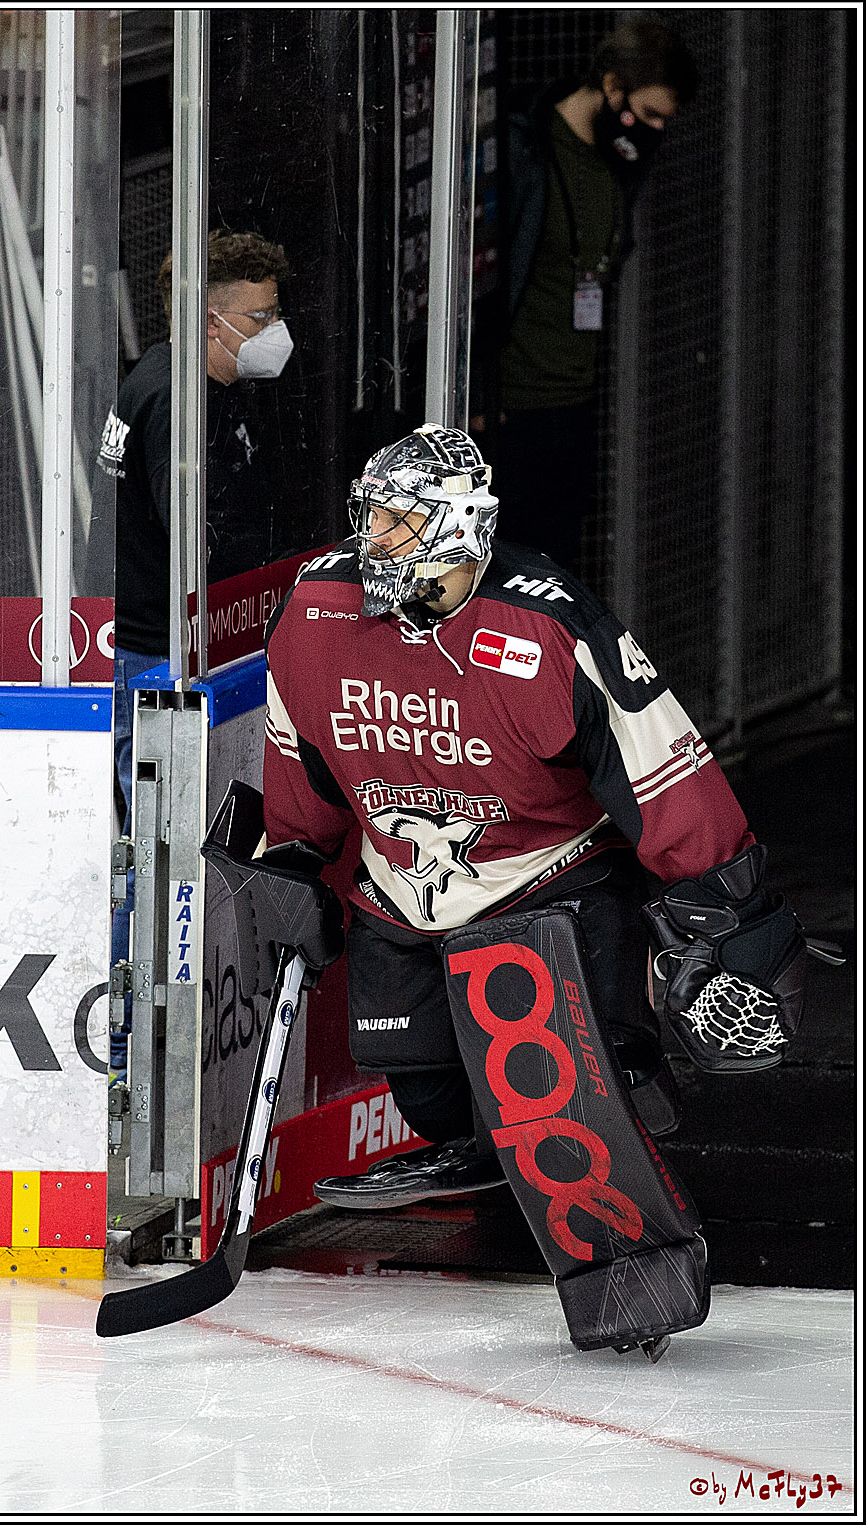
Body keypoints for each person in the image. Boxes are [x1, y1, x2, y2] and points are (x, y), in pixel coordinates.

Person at [260, 423, 808, 1355]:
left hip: (547, 883)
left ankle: (627, 1240)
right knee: (431, 1099)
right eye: (370, 515)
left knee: (561, 1093)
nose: (373, 538)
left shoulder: (548, 623)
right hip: (404, 889)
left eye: (398, 521)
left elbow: (656, 762)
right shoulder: (315, 611)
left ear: (458, 525)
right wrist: (293, 858)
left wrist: (733, 906)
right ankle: (509, 1148)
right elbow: (298, 746)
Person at [94, 228, 292, 1076]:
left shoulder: (194, 384)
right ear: (214, 322)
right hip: (153, 659)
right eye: (262, 316)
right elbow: (193, 543)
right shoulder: (174, 401)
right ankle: (125, 1048)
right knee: (154, 852)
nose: (276, 331)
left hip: (173, 649)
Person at [488, 19, 699, 571]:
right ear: (611, 86)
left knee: (553, 579)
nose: (655, 130)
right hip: (512, 410)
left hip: (575, 406)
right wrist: (484, 391)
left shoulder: (619, 157)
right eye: (649, 113)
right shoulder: (525, 148)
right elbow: (487, 273)